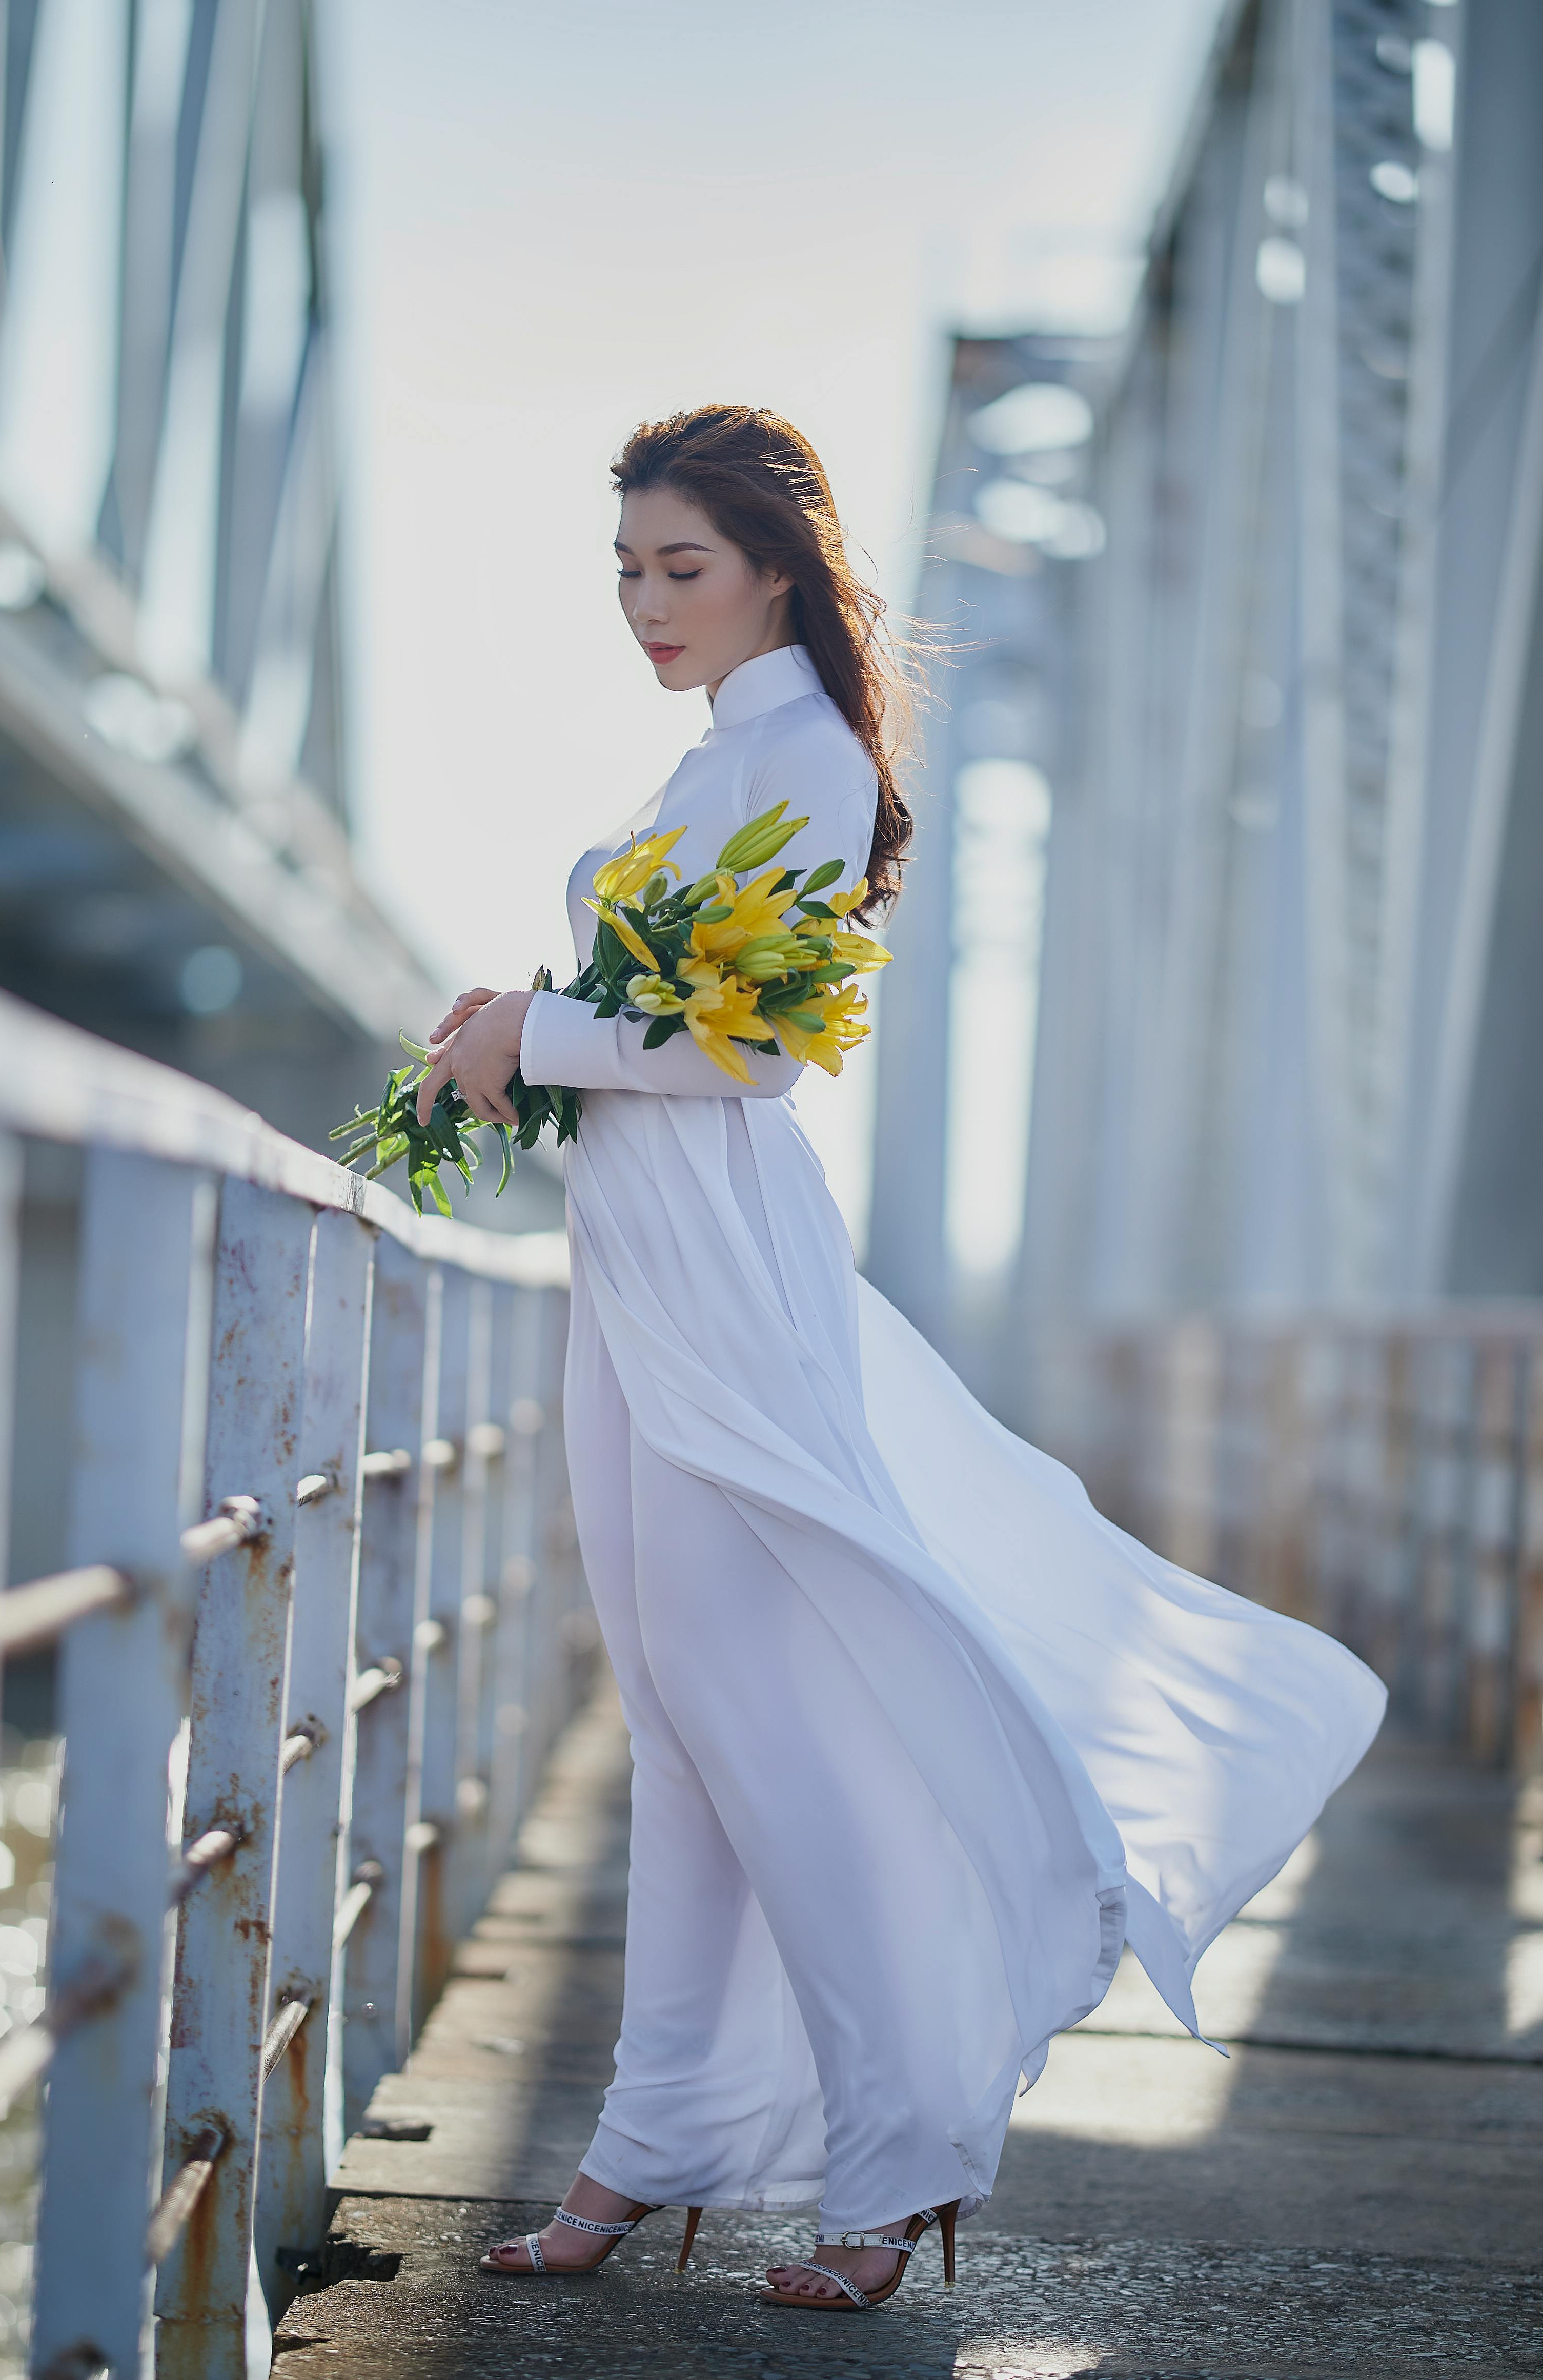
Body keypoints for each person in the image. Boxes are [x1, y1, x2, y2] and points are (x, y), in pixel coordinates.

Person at [416, 404, 1386, 2313]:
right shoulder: (716, 760)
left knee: (754, 1723)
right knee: (681, 1726)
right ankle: (651, 2141)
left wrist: (541, 1029)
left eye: (679, 565)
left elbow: (754, 1056)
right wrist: (522, 1033)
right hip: (634, 1258)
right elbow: (660, 1029)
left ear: (777, 563)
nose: (645, 602)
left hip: (724, 1267)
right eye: (625, 569)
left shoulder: (814, 758)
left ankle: (894, 2161)